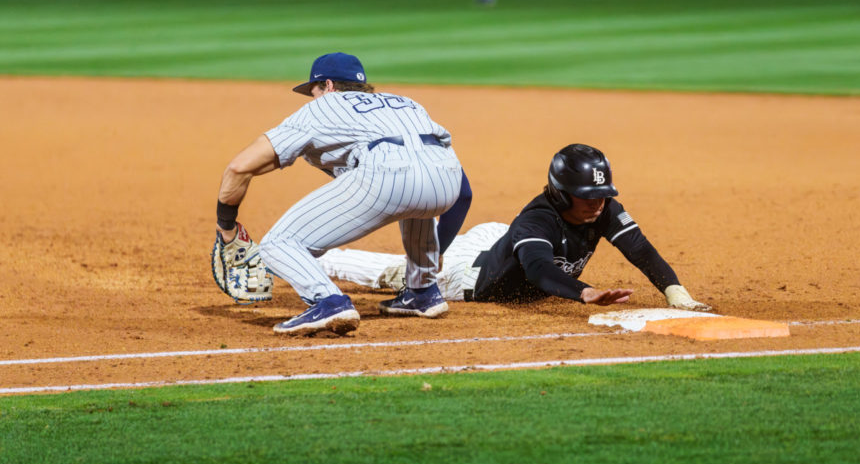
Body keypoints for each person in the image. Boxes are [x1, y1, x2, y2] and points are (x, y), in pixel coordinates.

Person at [214, 52, 470, 336]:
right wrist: (438, 251)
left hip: (386, 176)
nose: (313, 99)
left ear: (329, 85)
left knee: (278, 243)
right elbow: (464, 193)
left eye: (313, 91)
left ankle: (328, 302)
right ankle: (423, 291)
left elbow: (239, 167)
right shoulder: (406, 104)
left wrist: (226, 225)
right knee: (417, 192)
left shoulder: (322, 107)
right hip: (447, 181)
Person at [319, 144, 711, 311]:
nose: (597, 203)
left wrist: (675, 292)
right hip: (467, 274)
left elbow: (640, 248)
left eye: (602, 195)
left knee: (519, 241)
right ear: (560, 193)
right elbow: (539, 271)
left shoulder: (602, 208)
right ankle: (318, 260)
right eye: (586, 195)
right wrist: (584, 291)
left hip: (500, 238)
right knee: (400, 274)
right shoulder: (537, 218)